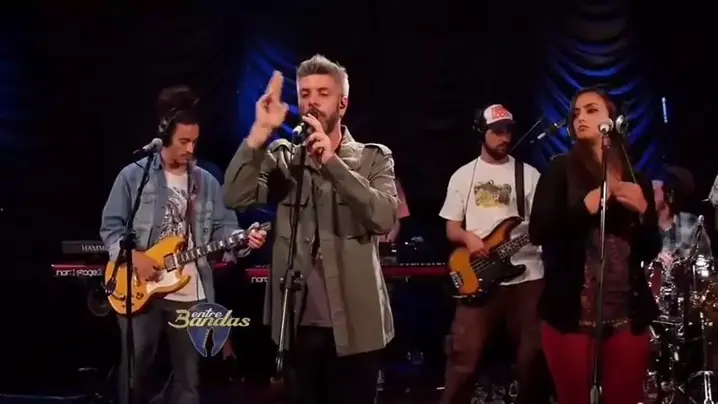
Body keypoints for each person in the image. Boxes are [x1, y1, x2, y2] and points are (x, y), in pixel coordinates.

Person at [222, 55, 399, 404]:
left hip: (356, 328)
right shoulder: (283, 158)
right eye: (305, 94)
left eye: (323, 93)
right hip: (296, 324)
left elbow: (382, 217)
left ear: (342, 104)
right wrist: (259, 133)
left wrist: (331, 163)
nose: (312, 101)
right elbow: (235, 196)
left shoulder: (373, 158)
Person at [99, 85, 267, 404]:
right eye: (183, 142)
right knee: (136, 371)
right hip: (139, 288)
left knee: (189, 382)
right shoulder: (133, 176)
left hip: (191, 292)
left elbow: (224, 230)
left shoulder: (207, 181)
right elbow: (111, 228)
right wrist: (134, 257)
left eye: (194, 141)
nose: (190, 149)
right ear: (164, 138)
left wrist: (244, 239)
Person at [528, 87, 662, 404]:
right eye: (576, 113)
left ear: (613, 121)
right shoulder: (560, 170)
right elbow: (538, 232)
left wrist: (644, 212)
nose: (580, 118)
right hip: (571, 319)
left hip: (627, 319)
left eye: (591, 110)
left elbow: (649, 249)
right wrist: (584, 208)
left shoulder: (636, 178)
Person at [438, 104, 546, 404]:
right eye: (497, 131)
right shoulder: (463, 176)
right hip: (479, 272)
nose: (504, 137)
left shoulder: (529, 175)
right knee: (464, 357)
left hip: (527, 275)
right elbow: (451, 228)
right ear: (480, 133)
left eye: (508, 131)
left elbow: (544, 223)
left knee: (532, 359)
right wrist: (468, 238)